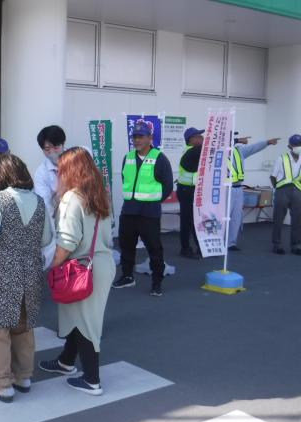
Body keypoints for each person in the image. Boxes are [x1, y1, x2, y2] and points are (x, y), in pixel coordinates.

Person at [0, 153, 52, 403]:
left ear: (0, 176)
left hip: (2, 273)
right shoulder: (39, 201)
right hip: (31, 273)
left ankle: (3, 386)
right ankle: (24, 377)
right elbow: (46, 239)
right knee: (23, 328)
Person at [38, 147, 115, 396]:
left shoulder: (72, 197)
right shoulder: (101, 194)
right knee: (76, 317)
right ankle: (66, 362)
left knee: (85, 323)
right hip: (101, 264)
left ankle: (92, 379)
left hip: (80, 267)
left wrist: (52, 265)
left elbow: (67, 242)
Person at [113, 121, 173, 297]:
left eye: (141, 136)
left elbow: (167, 186)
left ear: (150, 138)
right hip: (129, 210)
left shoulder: (160, 158)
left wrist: (153, 201)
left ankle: (157, 282)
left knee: (154, 248)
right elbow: (126, 180)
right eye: (135, 137)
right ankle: (127, 276)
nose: (137, 140)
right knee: (126, 246)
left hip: (149, 212)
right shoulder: (128, 157)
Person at [227, 134, 279, 251]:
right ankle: (218, 242)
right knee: (223, 217)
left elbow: (254, 148)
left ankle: (231, 243)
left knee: (236, 217)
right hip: (225, 189)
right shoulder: (218, 151)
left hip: (238, 188)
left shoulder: (238, 151)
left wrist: (267, 142)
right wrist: (238, 139)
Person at [269, 134, 301, 255]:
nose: (299, 147)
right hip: (282, 190)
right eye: (296, 145)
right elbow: (273, 176)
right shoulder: (281, 158)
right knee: (278, 219)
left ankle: (296, 245)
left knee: (298, 219)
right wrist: (278, 189)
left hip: (298, 191)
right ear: (290, 146)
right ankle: (277, 245)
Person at [176, 127, 204, 259]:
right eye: (198, 136)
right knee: (188, 221)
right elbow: (206, 147)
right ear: (190, 140)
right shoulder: (191, 151)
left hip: (191, 190)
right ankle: (185, 248)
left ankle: (199, 247)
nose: (201, 138)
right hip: (186, 190)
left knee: (193, 220)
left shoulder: (195, 151)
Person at [34, 125, 65, 215]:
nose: (52, 152)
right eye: (47, 149)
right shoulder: (41, 173)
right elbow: (46, 207)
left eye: (55, 147)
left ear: (63, 144)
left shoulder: (77, 159)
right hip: (58, 218)